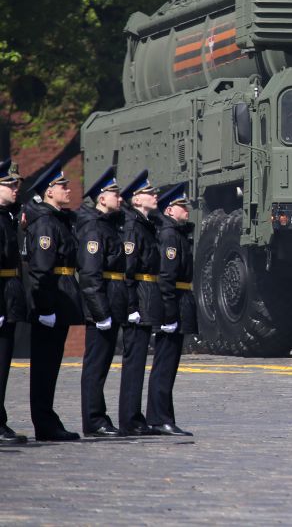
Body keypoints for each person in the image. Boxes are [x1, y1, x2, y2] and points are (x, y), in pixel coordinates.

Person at [23, 160, 82, 441]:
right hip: (51, 299)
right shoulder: (46, 223)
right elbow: (41, 269)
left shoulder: (57, 219)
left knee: (51, 365)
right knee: (45, 367)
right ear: (48, 192)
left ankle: (47, 419)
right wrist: (44, 308)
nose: (67, 189)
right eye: (62, 186)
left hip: (60, 297)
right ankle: (44, 423)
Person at [75, 167, 126, 437]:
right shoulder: (94, 228)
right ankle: (94, 420)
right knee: (95, 366)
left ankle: (98, 418)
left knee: (102, 365)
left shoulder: (108, 225)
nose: (119, 197)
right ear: (101, 198)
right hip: (102, 305)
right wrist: (100, 312)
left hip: (111, 301)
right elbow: (91, 273)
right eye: (114, 193)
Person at [146, 182, 195, 437]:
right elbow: (166, 277)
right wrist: (169, 314)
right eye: (181, 206)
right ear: (169, 210)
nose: (186, 210)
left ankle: (162, 416)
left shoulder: (177, 233)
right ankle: (158, 418)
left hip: (178, 300)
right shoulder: (169, 235)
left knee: (168, 366)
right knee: (164, 365)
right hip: (172, 304)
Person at [118, 170, 159, 436]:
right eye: (150, 192)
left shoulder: (145, 223)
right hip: (139, 299)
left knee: (139, 362)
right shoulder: (133, 227)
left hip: (146, 296)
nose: (156, 195)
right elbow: (128, 271)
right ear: (136, 199)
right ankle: (129, 419)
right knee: (133, 363)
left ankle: (135, 417)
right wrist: (132, 307)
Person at [0, 160, 28, 444]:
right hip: (1, 297)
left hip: (9, 296)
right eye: (9, 184)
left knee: (4, 365)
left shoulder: (7, 216)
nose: (15, 188)